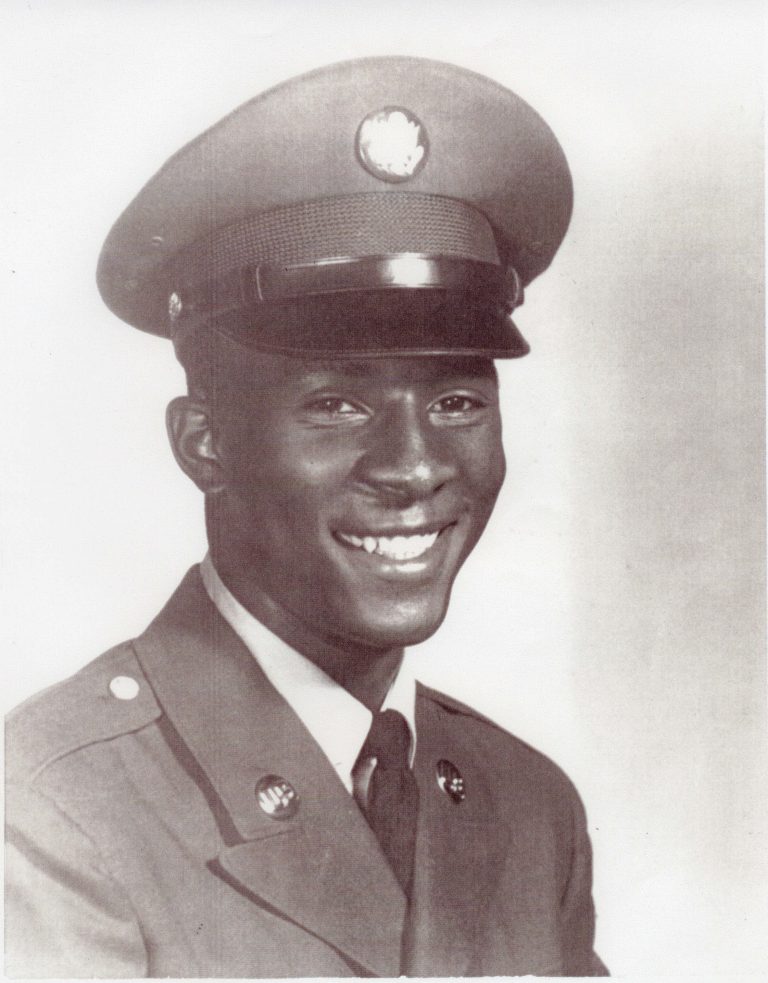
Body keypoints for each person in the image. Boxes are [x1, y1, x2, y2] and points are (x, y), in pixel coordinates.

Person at [5, 57, 607, 978]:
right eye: (337, 404)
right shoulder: (50, 812)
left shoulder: (530, 809)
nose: (415, 467)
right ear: (205, 445)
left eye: (456, 401)